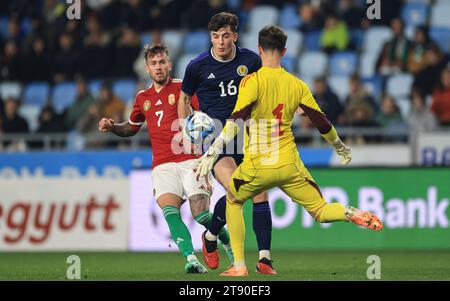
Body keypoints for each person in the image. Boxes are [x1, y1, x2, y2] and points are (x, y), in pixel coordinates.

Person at [196, 25, 383, 277]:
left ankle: (239, 265)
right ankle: (351, 212)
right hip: (290, 165)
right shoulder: (297, 85)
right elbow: (321, 122)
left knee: (233, 200)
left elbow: (235, 120)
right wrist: (340, 147)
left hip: (258, 166)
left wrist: (212, 152)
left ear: (260, 49)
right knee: (320, 210)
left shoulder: (252, 81)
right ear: (284, 51)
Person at [98, 43, 233, 274]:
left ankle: (228, 246)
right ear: (146, 68)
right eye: (153, 64)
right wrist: (113, 127)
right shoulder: (142, 98)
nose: (158, 67)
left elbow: (206, 116)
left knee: (200, 214)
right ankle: (191, 260)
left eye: (162, 62)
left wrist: (205, 128)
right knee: (170, 211)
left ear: (169, 64)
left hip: (191, 159)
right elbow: (131, 128)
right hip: (162, 164)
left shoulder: (185, 88)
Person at [178, 12, 276, 274]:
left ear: (235, 35)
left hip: (248, 135)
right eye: (215, 36)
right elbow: (184, 98)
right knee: (237, 189)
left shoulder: (251, 61)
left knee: (259, 192)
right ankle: (211, 239)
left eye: (225, 36)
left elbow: (266, 88)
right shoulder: (197, 66)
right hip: (215, 139)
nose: (220, 42)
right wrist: (185, 129)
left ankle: (263, 258)